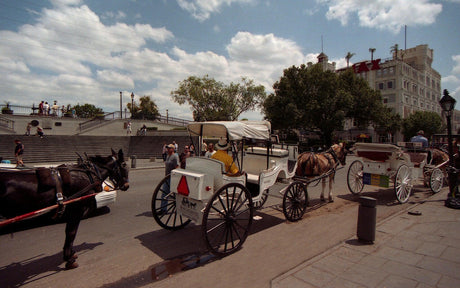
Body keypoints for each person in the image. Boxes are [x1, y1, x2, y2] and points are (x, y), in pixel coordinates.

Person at [161, 144, 179, 214]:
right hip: (167, 177)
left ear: (173, 149)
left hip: (172, 177)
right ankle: (163, 209)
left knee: (169, 193)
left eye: (169, 148)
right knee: (164, 193)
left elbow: (177, 167)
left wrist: (175, 176)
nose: (167, 149)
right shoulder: (168, 156)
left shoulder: (175, 156)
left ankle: (178, 208)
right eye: (167, 148)